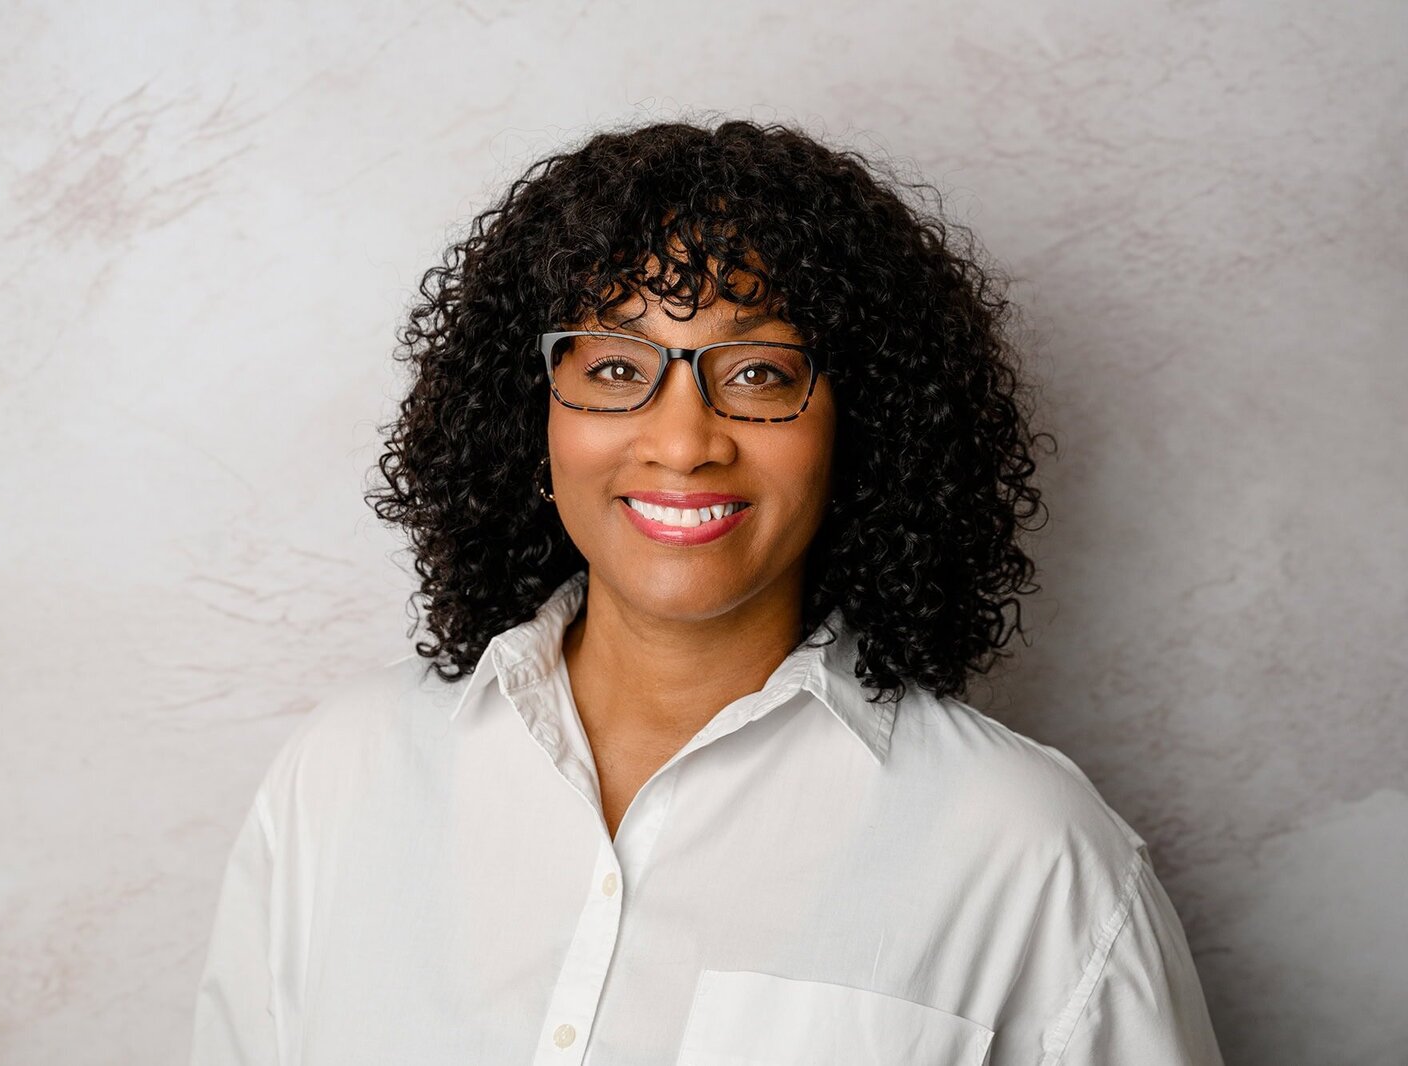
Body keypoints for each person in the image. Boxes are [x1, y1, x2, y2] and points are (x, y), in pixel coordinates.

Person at [188, 118, 1225, 1064]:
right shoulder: (343, 775)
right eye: (613, 367)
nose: (683, 441)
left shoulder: (1031, 852)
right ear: (531, 419)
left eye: (759, 372)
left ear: (858, 428)